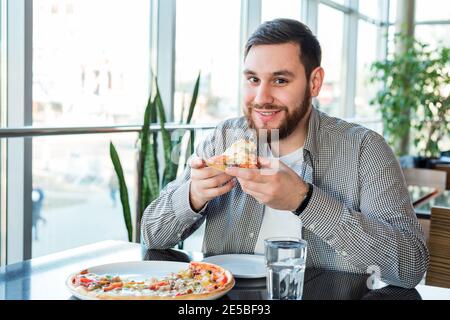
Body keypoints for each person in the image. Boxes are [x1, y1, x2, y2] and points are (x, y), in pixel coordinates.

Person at [141, 19, 428, 288]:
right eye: (253, 80)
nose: (261, 98)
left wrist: (304, 200)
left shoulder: (365, 149)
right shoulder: (223, 139)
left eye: (279, 81)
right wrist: (193, 195)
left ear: (314, 83)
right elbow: (151, 235)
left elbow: (410, 266)